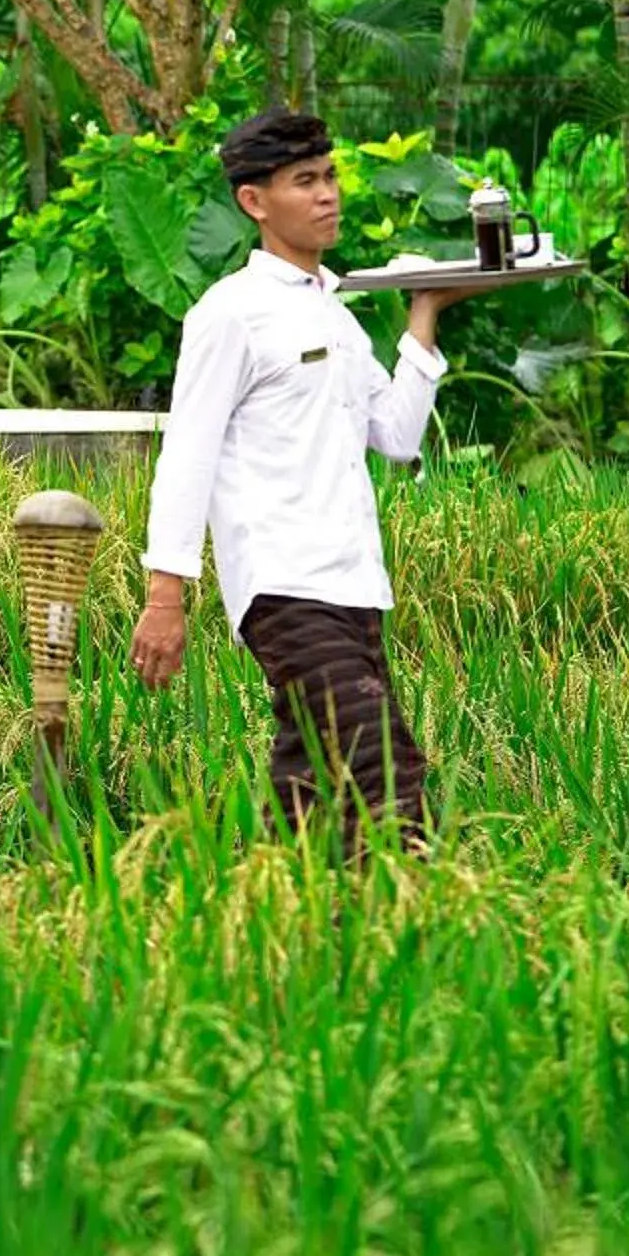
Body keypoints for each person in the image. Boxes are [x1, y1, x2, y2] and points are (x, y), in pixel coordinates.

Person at [128, 107, 450, 859]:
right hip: (282, 584)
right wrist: (164, 596)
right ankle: (404, 913)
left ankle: (276, 917)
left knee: (313, 776)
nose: (328, 195)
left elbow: (398, 437)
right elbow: (188, 456)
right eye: (305, 181)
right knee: (382, 767)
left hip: (357, 585)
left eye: (330, 176)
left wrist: (425, 312)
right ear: (254, 201)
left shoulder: (336, 315)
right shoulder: (231, 315)